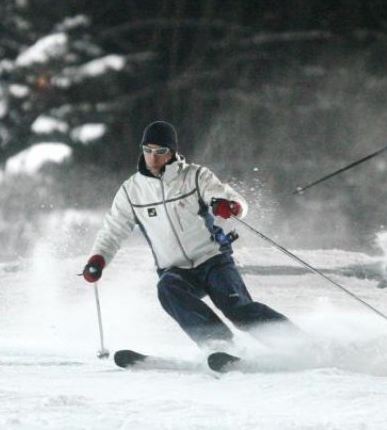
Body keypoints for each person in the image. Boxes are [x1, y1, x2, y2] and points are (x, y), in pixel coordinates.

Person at [81, 120, 296, 348]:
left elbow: (225, 196)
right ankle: (218, 344)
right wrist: (98, 259)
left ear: (172, 152)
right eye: (147, 151)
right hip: (176, 269)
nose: (152, 157)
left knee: (237, 308)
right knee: (167, 288)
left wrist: (229, 206)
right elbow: (113, 229)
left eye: (160, 151)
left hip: (212, 260)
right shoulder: (131, 191)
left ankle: (295, 342)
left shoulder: (194, 176)